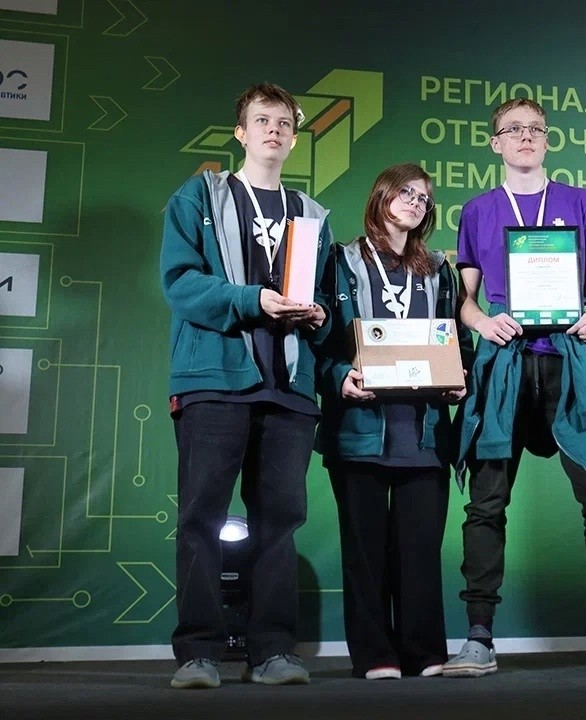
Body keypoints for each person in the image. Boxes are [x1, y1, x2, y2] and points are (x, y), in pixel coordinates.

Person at [442, 97, 586, 677]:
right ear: (495, 142)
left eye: (535, 129)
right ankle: (478, 638)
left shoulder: (579, 201)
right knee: (486, 504)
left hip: (570, 362)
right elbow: (465, 299)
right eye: (513, 129)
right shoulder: (477, 210)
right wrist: (481, 322)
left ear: (547, 140)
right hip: (505, 364)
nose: (525, 137)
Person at [160, 83, 333, 688]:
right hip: (214, 381)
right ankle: (199, 653)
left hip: (287, 387)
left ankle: (274, 650)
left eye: (284, 123)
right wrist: (252, 299)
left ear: (294, 137)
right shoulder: (199, 195)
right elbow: (180, 282)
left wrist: (319, 314)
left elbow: (325, 298)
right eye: (262, 120)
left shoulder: (312, 214)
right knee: (201, 519)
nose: (273, 131)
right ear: (241, 132)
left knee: (280, 522)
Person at [315, 163, 471, 680]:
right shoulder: (339, 262)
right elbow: (316, 339)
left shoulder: (439, 270)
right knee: (364, 551)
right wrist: (339, 376)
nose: (415, 202)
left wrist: (460, 377)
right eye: (405, 192)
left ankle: (424, 650)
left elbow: (459, 342)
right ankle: (374, 653)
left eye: (424, 198)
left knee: (420, 551)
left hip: (424, 434)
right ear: (381, 195)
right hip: (359, 429)